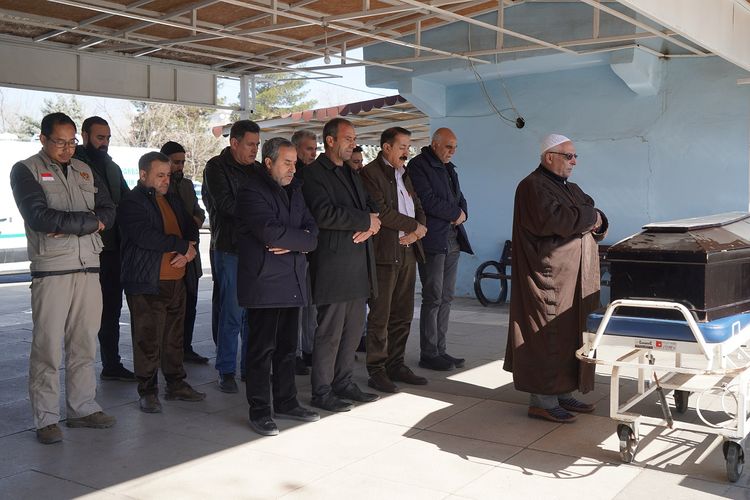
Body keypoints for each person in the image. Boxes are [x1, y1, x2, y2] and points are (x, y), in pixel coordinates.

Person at [11, 112, 117, 444]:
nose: (67, 148)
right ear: (43, 139)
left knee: (84, 342)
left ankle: (83, 408)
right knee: (47, 349)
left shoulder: (86, 169)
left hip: (89, 269)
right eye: (60, 141)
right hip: (52, 271)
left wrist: (72, 224)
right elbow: (39, 216)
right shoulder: (25, 170)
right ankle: (46, 419)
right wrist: (90, 222)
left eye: (72, 142)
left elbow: (110, 211)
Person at [503, 134, 608, 423]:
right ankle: (542, 400)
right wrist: (589, 215)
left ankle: (563, 391)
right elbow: (558, 221)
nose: (574, 162)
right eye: (568, 156)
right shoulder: (531, 187)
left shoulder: (570, 188)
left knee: (572, 335)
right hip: (548, 279)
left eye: (575, 156)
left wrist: (591, 216)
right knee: (548, 336)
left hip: (576, 278)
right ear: (549, 156)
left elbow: (591, 212)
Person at [236, 137, 320, 436]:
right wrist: (297, 240)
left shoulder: (296, 190)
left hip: (293, 280)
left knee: (287, 349)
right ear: (269, 162)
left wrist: (294, 243)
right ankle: (260, 411)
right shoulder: (251, 191)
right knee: (261, 351)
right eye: (287, 163)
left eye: (295, 163)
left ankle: (287, 402)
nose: (292, 169)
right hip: (264, 283)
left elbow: (313, 234)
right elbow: (270, 232)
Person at [300, 117, 381, 412]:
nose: (353, 144)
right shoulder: (313, 174)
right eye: (348, 138)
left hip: (358, 264)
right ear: (330, 140)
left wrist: (373, 224)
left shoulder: (351, 172)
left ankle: (344, 382)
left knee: (353, 329)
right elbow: (323, 213)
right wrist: (364, 221)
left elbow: (373, 207)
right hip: (333, 265)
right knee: (330, 332)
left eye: (354, 138)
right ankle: (321, 391)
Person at [118, 152, 206, 413]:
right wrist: (181, 245)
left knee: (173, 339)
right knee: (147, 340)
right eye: (160, 175)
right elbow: (145, 236)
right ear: (143, 175)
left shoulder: (172, 198)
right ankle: (147, 391)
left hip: (176, 281)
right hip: (147, 283)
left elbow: (190, 226)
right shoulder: (131, 202)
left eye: (168, 175)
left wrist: (190, 247)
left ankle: (176, 384)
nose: (166, 180)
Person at [360, 127, 428, 393]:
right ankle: (376, 370)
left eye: (408, 146)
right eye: (402, 146)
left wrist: (419, 228)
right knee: (381, 315)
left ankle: (396, 364)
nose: (406, 152)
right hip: (385, 254)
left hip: (409, 250)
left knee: (403, 313)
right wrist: (415, 227)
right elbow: (383, 213)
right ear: (386, 147)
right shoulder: (371, 174)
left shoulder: (404, 173)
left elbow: (417, 204)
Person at [73, 116, 135, 382]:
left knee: (111, 310)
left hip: (114, 250)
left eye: (108, 138)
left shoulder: (112, 167)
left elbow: (128, 199)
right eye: (100, 137)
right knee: (83, 315)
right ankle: (81, 373)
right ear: (85, 135)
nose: (105, 143)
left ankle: (111, 364)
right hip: (86, 251)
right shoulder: (72, 165)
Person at [408, 128, 473, 371]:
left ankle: (441, 350)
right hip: (433, 242)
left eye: (455, 147)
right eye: (448, 147)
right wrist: (456, 213)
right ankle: (429, 353)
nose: (452, 152)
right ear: (434, 144)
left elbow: (459, 198)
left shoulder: (448, 168)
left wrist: (462, 212)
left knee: (446, 298)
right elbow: (427, 200)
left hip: (453, 241)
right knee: (433, 298)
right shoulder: (419, 166)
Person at [202, 120, 259, 393]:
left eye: (258, 145)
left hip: (257, 249)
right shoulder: (216, 167)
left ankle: (249, 367)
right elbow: (224, 205)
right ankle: (226, 370)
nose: (255, 150)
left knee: (254, 314)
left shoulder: (259, 170)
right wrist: (262, 213)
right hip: (230, 248)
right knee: (232, 313)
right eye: (250, 144)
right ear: (234, 143)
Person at [160, 141, 209, 365]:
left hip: (191, 253)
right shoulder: (161, 186)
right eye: (175, 162)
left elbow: (198, 212)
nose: (180, 166)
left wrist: (193, 223)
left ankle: (185, 347)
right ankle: (167, 352)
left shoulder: (187, 185)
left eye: (182, 162)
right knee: (170, 308)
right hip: (170, 255)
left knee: (190, 303)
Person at [290, 129, 318, 376]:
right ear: (296, 149)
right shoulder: (291, 177)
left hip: (312, 247)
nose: (314, 152)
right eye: (309, 148)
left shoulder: (314, 175)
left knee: (311, 303)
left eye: (315, 147)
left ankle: (309, 348)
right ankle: (296, 352)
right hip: (296, 247)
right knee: (297, 305)